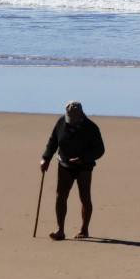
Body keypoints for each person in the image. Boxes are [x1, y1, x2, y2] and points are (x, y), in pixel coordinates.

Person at [40, 100, 105, 241]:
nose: (71, 122)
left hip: (84, 167)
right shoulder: (61, 122)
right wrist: (45, 158)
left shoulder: (91, 128)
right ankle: (60, 230)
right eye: (69, 118)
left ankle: (84, 230)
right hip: (64, 165)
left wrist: (83, 158)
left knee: (85, 198)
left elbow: (100, 150)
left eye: (74, 119)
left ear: (81, 114)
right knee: (60, 196)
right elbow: (53, 141)